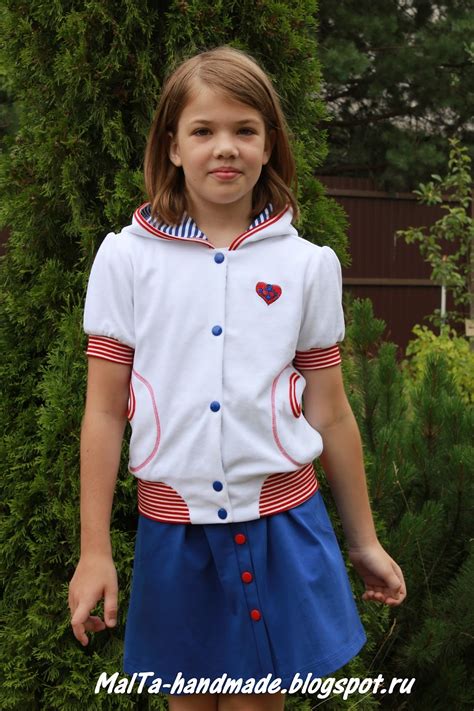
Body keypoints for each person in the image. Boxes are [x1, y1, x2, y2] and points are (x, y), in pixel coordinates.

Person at [68, 45, 406, 711]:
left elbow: (331, 412)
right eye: (203, 130)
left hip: (284, 523)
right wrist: (94, 551)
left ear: (269, 144)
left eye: (245, 129)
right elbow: (104, 412)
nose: (225, 147)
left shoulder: (308, 266)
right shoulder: (127, 261)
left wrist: (363, 540)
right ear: (172, 146)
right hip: (176, 531)